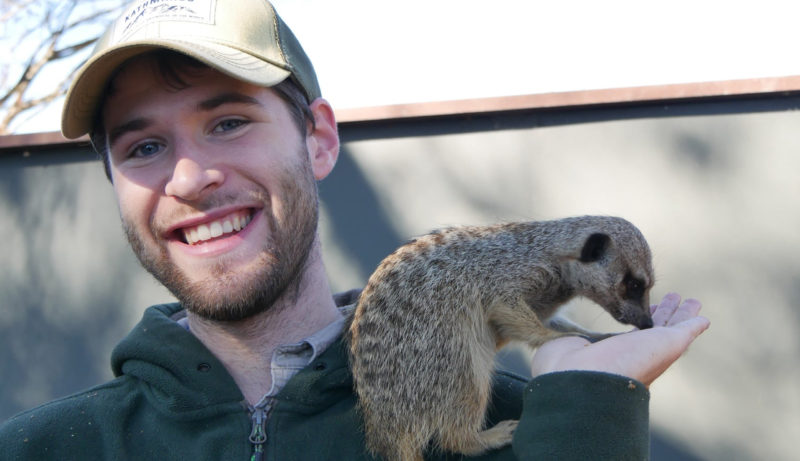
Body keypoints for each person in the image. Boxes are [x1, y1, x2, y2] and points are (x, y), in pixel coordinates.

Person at [0, 0, 710, 459]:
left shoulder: (539, 425)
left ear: (320, 140)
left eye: (228, 122)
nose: (188, 179)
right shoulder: (43, 448)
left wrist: (587, 421)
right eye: (143, 147)